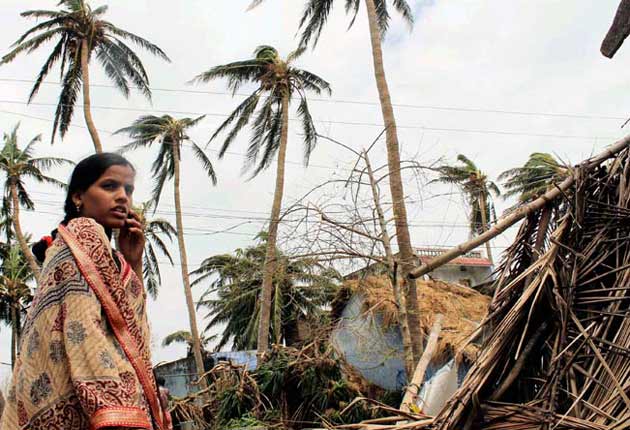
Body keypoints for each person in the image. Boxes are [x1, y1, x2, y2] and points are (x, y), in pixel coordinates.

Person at [0, 153, 167, 430]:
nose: (123, 197)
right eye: (110, 186)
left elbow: (134, 334)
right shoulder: (79, 237)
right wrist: (112, 406)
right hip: (88, 404)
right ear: (78, 197)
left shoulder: (111, 257)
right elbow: (83, 330)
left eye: (128, 189)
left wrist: (133, 260)